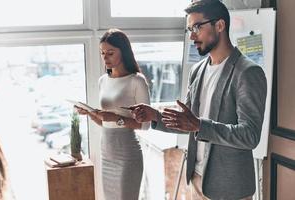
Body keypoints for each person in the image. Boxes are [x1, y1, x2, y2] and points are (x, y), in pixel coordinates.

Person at [130, 0, 267, 199]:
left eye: (197, 27)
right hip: (197, 180)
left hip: (231, 189)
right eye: (189, 29)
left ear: (220, 26)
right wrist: (155, 116)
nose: (192, 36)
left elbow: (250, 135)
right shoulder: (197, 70)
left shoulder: (248, 72)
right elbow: (188, 123)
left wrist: (199, 126)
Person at [75, 28, 150, 200]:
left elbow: (145, 125)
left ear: (123, 52)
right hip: (106, 153)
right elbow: (106, 123)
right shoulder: (103, 81)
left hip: (127, 155)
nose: (105, 58)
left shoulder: (137, 81)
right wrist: (91, 114)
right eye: (102, 53)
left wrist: (117, 119)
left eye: (110, 53)